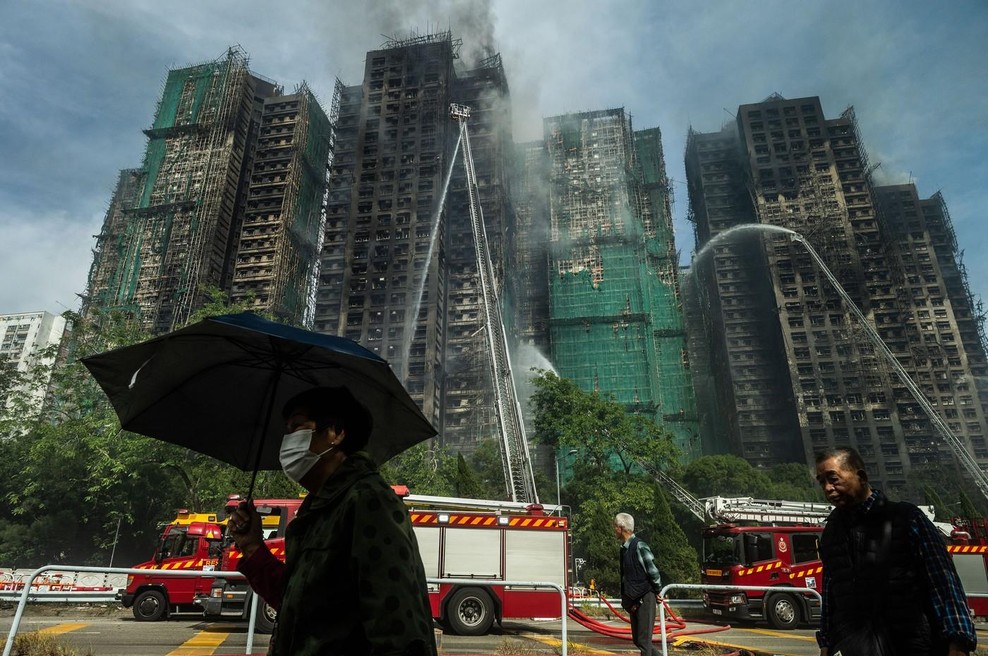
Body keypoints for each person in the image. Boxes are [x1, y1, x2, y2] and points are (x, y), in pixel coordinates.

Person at [228, 386, 437, 656]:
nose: (287, 441)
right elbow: (297, 604)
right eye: (286, 431)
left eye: (298, 427)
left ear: (335, 433)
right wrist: (252, 547)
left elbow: (398, 632)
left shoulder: (369, 501)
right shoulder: (318, 508)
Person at [815, 446, 976, 656]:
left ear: (861, 477)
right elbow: (831, 596)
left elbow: (944, 584)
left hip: (912, 647)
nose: (828, 488)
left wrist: (958, 643)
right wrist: (826, 644)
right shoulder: (831, 533)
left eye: (833, 479)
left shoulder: (907, 518)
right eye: (822, 482)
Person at [613, 512, 662, 656]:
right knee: (639, 641)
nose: (614, 529)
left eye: (615, 526)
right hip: (635, 599)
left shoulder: (639, 546)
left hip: (645, 597)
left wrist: (658, 591)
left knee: (644, 642)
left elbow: (652, 570)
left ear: (621, 528)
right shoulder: (625, 548)